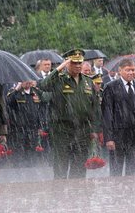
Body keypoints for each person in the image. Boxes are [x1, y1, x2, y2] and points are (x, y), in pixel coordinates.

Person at [38, 49, 101, 179]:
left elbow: (95, 107)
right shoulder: (59, 80)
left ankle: (77, 197)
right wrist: (59, 68)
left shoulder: (88, 82)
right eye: (74, 63)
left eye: (80, 63)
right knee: (61, 167)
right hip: (62, 130)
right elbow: (43, 85)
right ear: (67, 63)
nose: (78, 66)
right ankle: (60, 197)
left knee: (79, 169)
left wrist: (94, 129)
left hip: (83, 130)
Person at [101, 58, 135, 176]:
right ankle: (117, 192)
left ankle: (134, 192)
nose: (131, 73)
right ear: (120, 71)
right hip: (117, 135)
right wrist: (109, 138)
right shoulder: (111, 87)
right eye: (127, 70)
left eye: (133, 70)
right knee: (116, 171)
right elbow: (107, 113)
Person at [6, 81, 47, 167]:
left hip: (33, 127)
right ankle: (19, 173)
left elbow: (42, 107)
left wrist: (41, 125)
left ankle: (32, 172)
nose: (27, 82)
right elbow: (8, 102)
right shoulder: (15, 92)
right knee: (19, 152)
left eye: (29, 80)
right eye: (24, 80)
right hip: (19, 128)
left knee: (32, 152)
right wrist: (17, 89)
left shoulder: (36, 91)